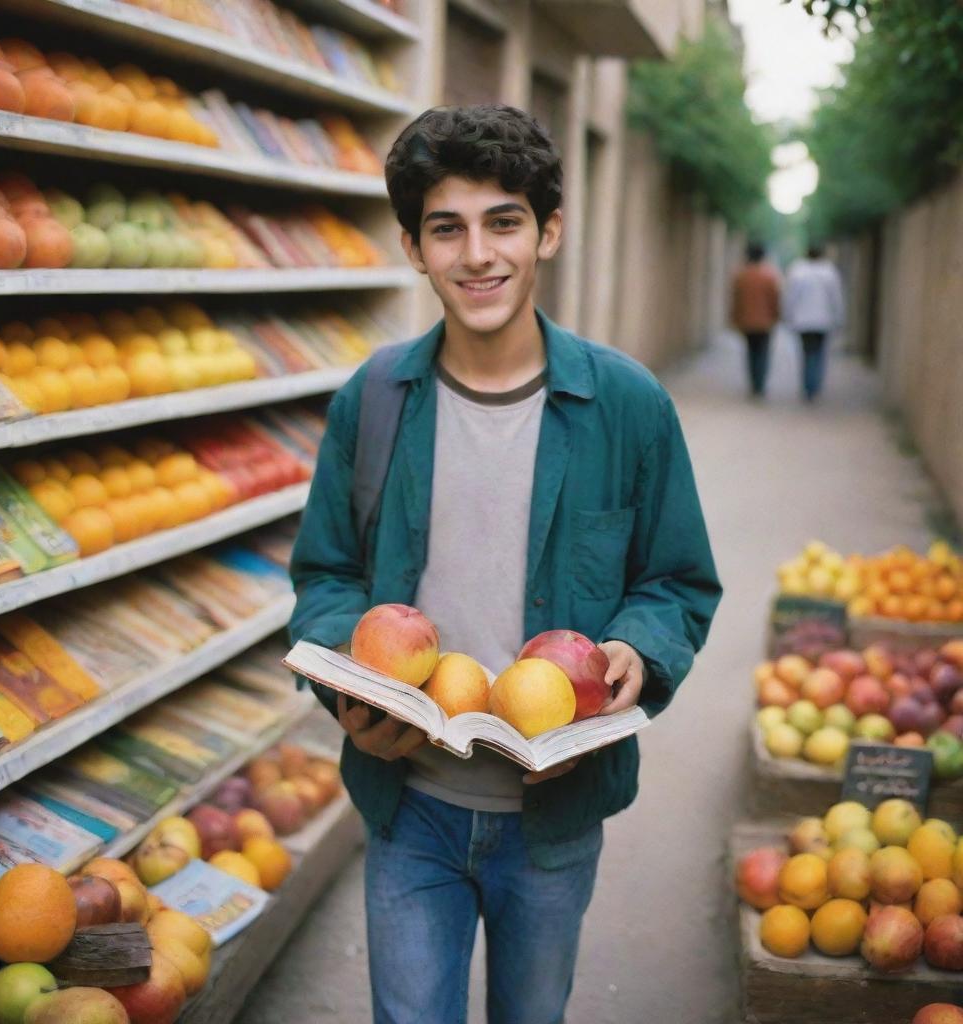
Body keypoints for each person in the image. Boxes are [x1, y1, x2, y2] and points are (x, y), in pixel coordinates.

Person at [288, 104, 722, 1024]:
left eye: (504, 222)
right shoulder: (372, 402)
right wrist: (352, 696)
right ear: (414, 247)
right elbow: (326, 577)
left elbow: (675, 582)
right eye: (446, 228)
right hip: (410, 805)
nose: (477, 254)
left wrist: (640, 651)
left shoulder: (625, 407)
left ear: (548, 231)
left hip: (555, 820)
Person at [782, 243, 845, 402]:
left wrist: (788, 316)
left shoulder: (797, 271)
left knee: (806, 354)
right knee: (819, 354)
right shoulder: (829, 272)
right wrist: (838, 318)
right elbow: (836, 298)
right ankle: (815, 386)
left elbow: (790, 297)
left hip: (802, 321)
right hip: (823, 321)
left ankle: (808, 387)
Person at [730, 242, 781, 397]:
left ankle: (754, 382)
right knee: (763, 353)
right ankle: (760, 383)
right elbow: (774, 299)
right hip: (765, 323)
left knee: (751, 352)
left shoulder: (741, 275)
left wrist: (735, 318)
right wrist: (776, 316)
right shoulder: (769, 276)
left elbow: (736, 300)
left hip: (747, 321)